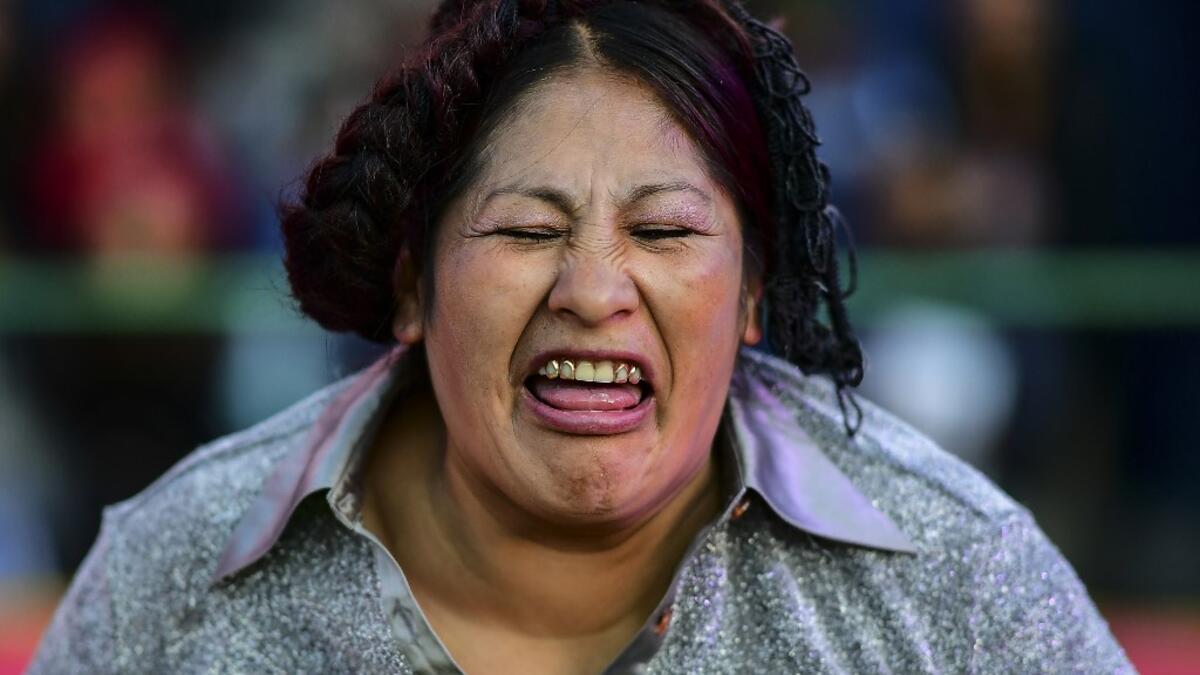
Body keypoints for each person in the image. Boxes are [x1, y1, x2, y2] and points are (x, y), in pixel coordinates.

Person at [29, 0, 1133, 672]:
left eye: (663, 229)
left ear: (754, 291)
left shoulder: (961, 589)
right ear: (411, 285)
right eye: (526, 228)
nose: (595, 289)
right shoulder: (174, 576)